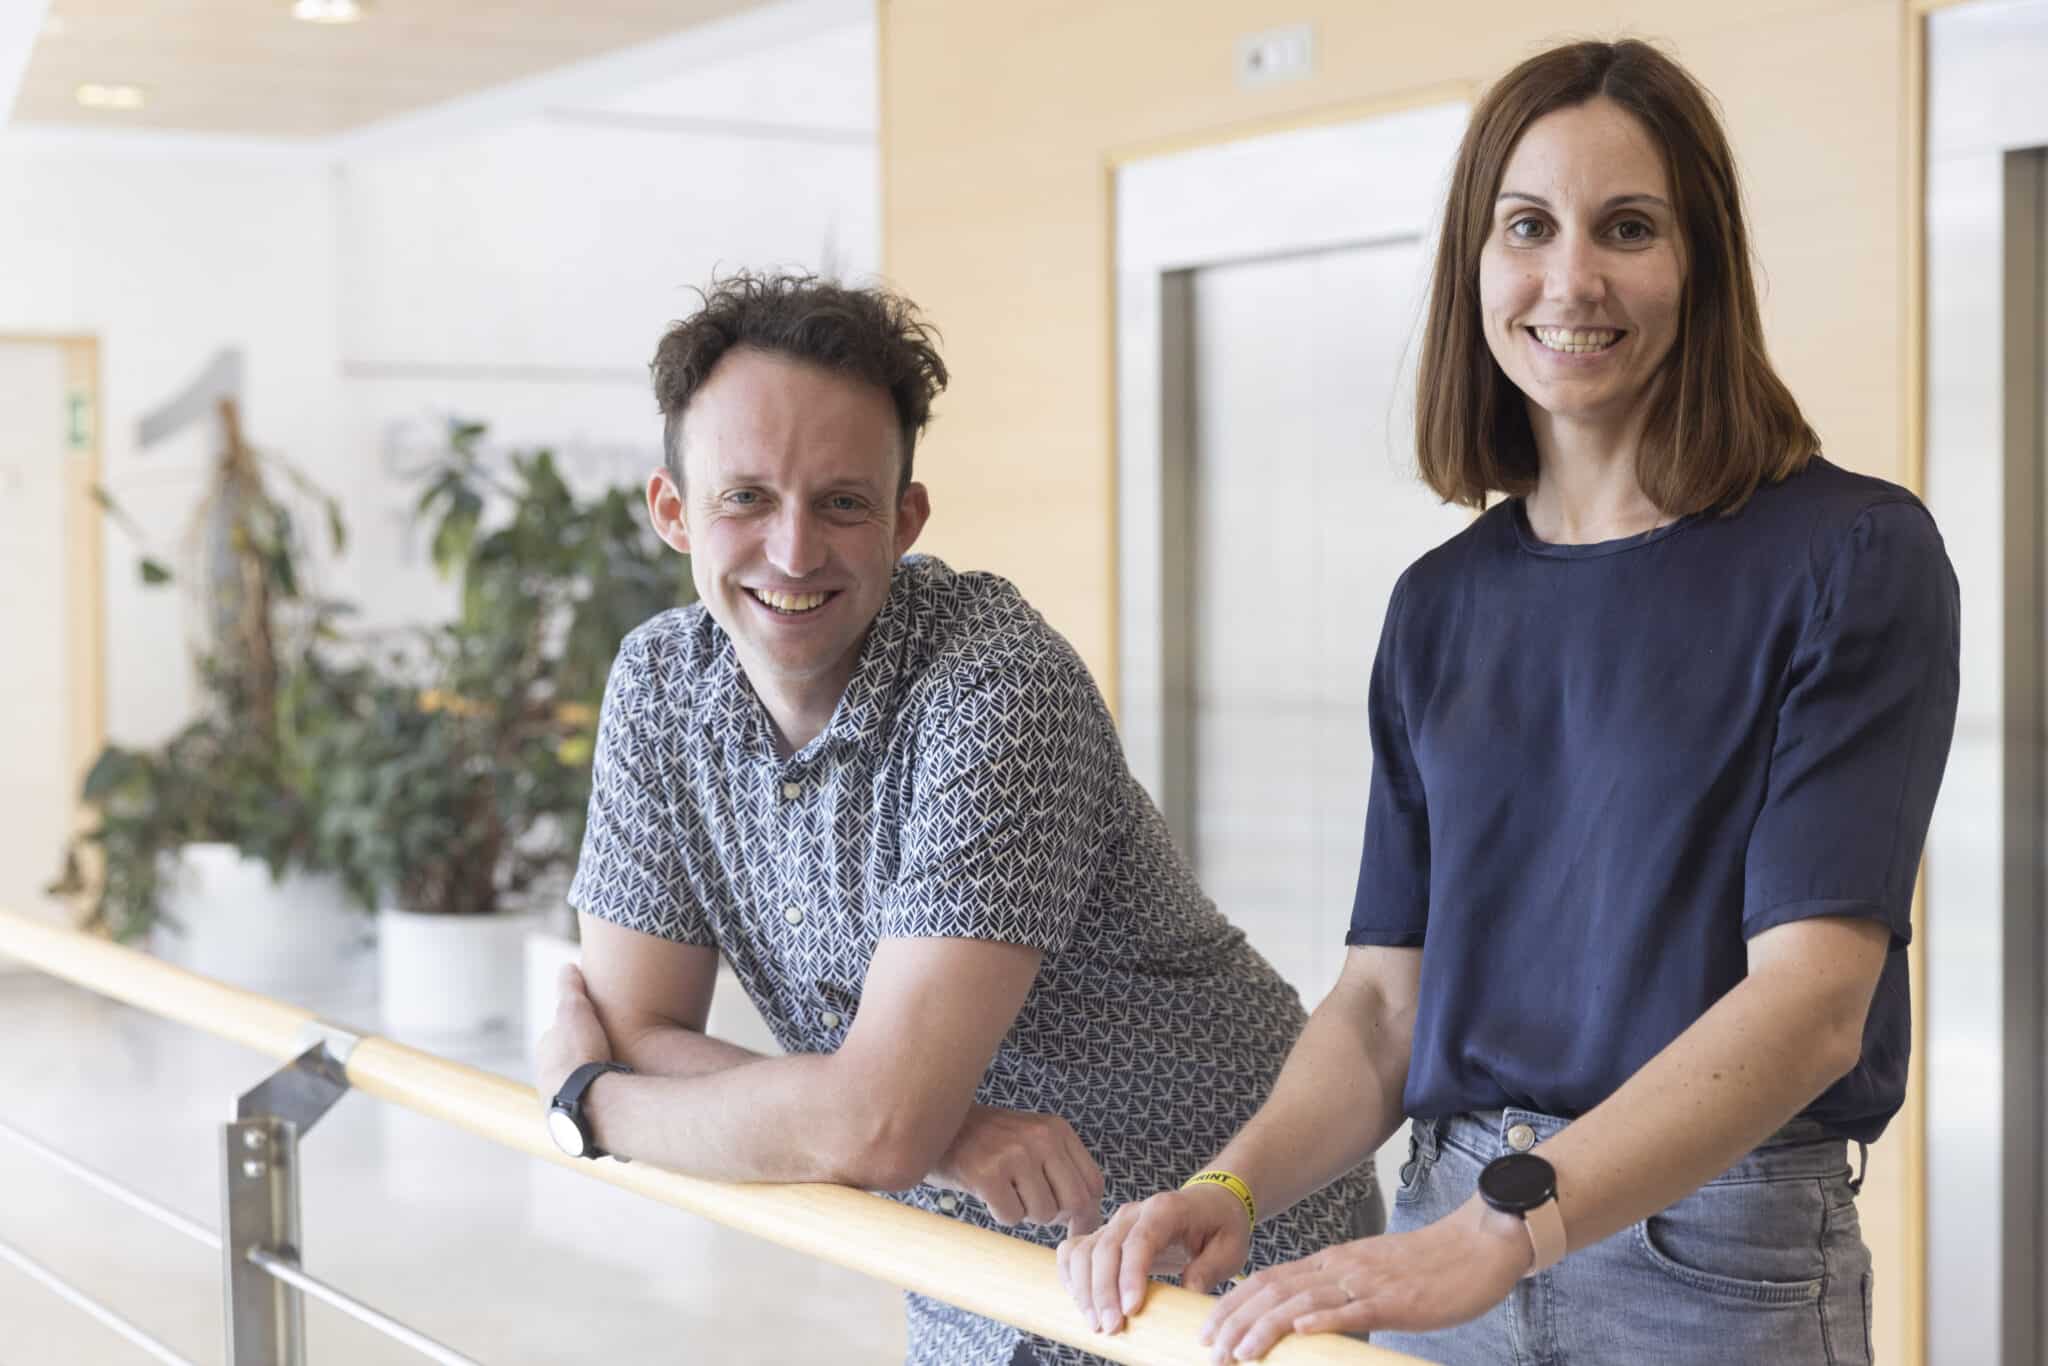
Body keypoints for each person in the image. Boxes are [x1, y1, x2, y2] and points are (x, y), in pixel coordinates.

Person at [1060, 39, 1959, 1366]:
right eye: (1527, 226)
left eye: (1629, 228)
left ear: (1703, 265)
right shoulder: (1440, 603)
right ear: (1473, 268)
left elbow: (1813, 1005)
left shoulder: (1851, 558)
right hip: (1449, 1229)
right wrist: (1230, 1187)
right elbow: (1383, 1003)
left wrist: (1500, 1230)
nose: (1572, 278)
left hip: (1707, 1265)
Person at [536, 272, 1380, 1366]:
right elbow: (648, 1032)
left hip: (1219, 1250)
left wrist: (584, 1103)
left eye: (841, 501)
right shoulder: (659, 682)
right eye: (745, 496)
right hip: (977, 1272)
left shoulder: (994, 689)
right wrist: (931, 1138)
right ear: (671, 510)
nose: (793, 552)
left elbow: (861, 1123)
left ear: (904, 519)